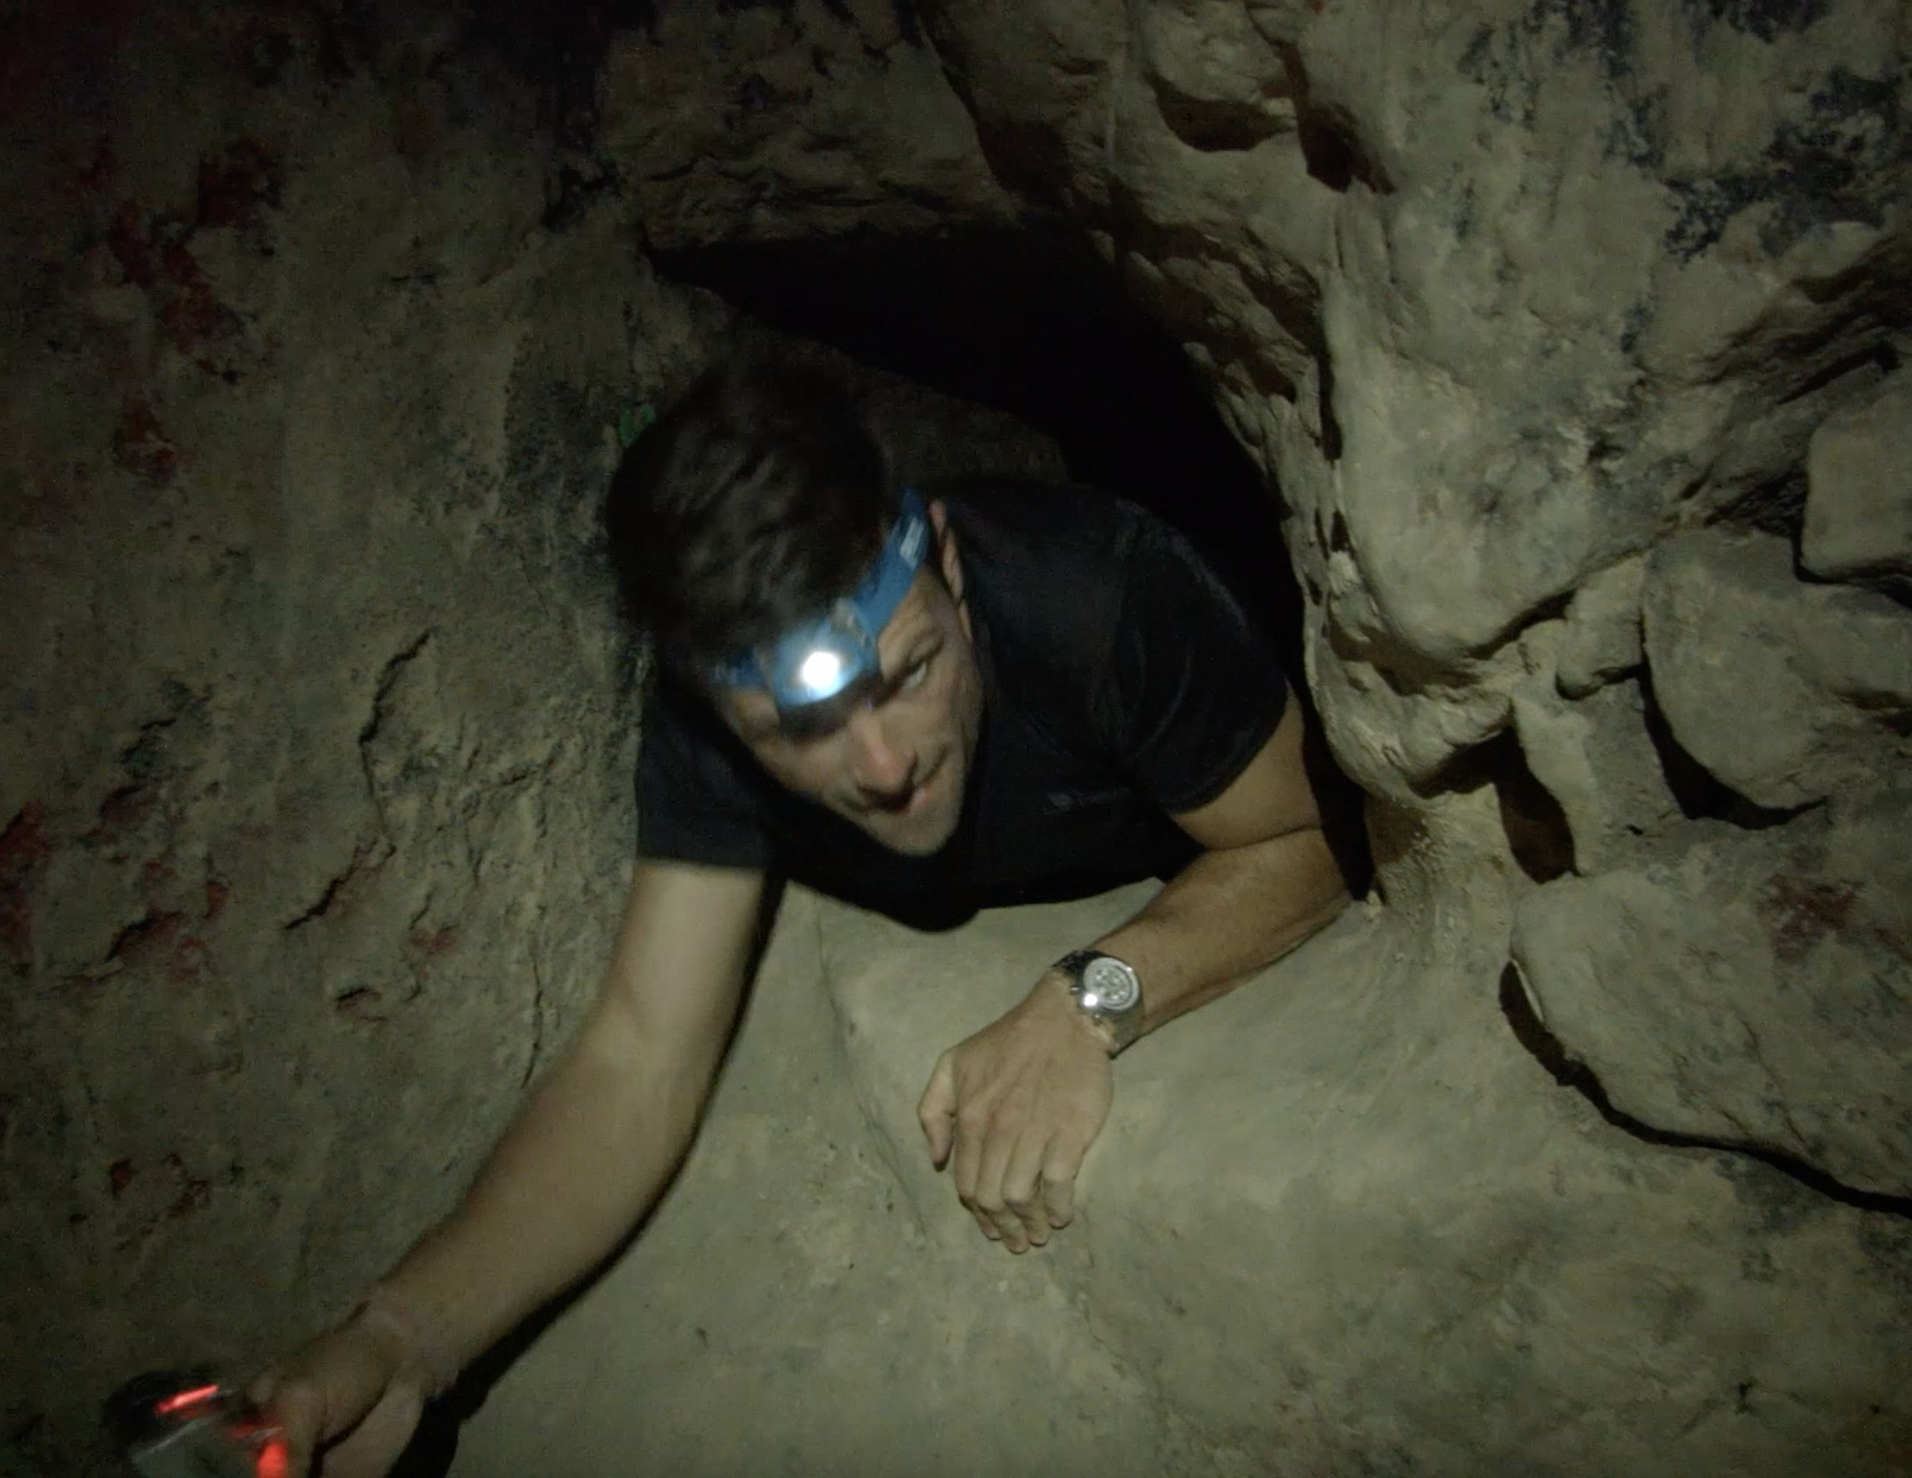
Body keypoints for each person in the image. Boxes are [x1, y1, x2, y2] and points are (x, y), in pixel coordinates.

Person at [251, 360, 1350, 1475]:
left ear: (948, 566)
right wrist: (404, 1338)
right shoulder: (708, 733)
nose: (884, 764)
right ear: (723, 712)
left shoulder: (1097, 592)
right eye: (802, 728)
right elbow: (640, 1056)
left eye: (910, 670)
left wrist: (1089, 997)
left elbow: (1314, 837)